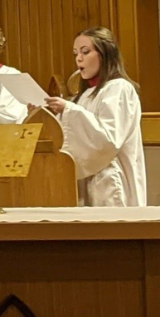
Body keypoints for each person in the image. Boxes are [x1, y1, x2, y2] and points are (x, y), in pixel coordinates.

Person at [41, 27, 146, 207]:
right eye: (76, 53)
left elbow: (108, 139)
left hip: (111, 180)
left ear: (105, 54)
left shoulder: (119, 89)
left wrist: (69, 109)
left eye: (85, 52)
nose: (78, 58)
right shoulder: (84, 95)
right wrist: (49, 115)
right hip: (87, 181)